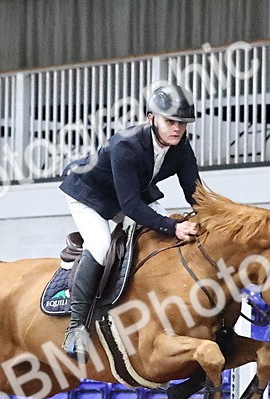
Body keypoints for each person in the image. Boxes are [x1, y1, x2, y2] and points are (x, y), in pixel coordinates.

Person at [58, 81, 203, 360]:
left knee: (158, 234)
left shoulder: (181, 146)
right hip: (90, 194)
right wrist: (174, 226)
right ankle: (76, 328)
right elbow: (130, 206)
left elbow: (195, 192)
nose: (177, 128)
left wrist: (217, 218)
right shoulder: (126, 145)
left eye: (182, 123)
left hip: (129, 192)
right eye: (170, 121)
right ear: (151, 118)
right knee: (100, 245)